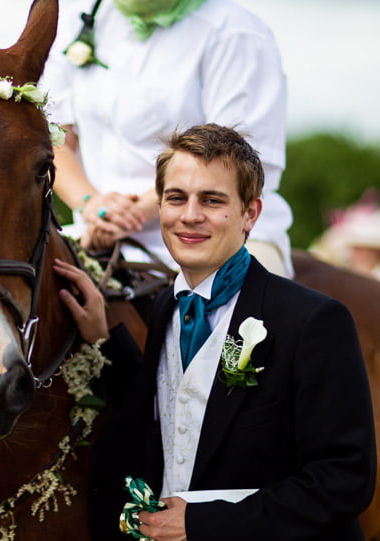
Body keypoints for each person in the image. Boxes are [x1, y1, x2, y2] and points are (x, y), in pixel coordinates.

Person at [85, 124, 375, 540]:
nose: (190, 215)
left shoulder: (315, 320)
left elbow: (344, 480)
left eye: (212, 200)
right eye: (176, 198)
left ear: (250, 214)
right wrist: (103, 335)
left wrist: (201, 524)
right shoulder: (167, 306)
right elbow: (170, 409)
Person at [43, 0, 294, 278]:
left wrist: (130, 214)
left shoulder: (237, 31)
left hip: (213, 235)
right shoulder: (77, 20)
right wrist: (91, 204)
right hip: (96, 230)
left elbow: (240, 163)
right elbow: (55, 137)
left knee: (253, 308)